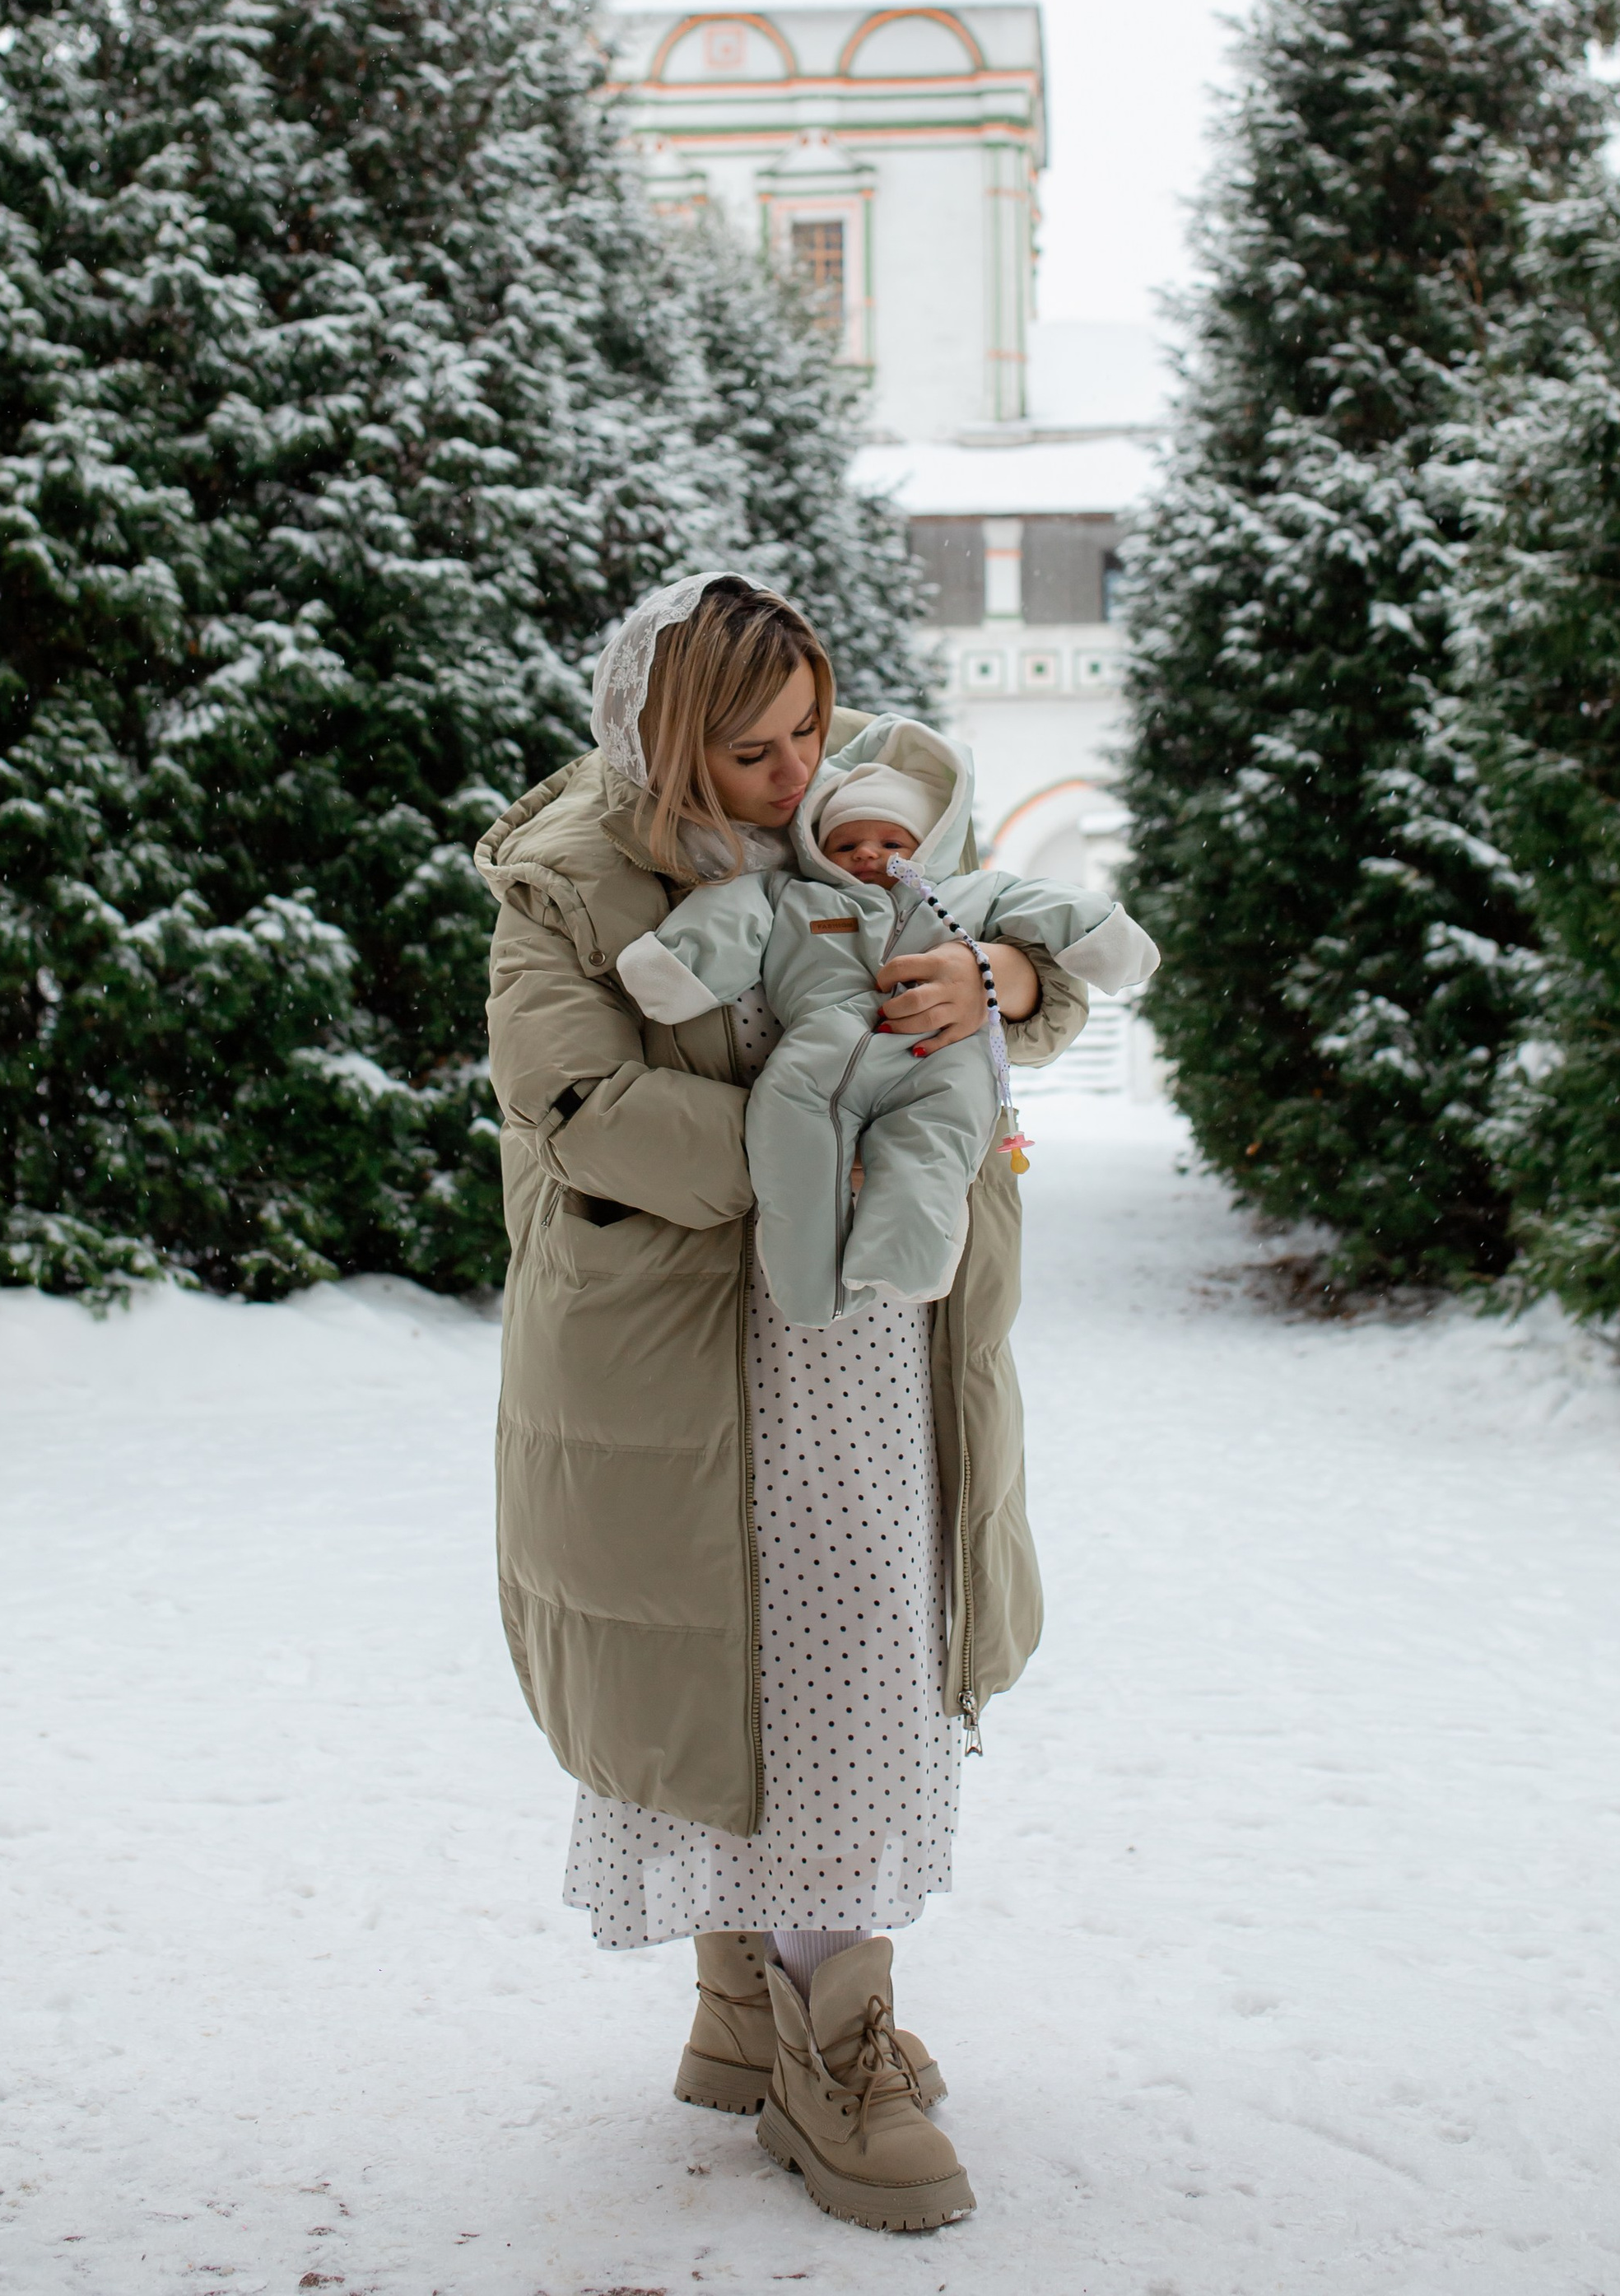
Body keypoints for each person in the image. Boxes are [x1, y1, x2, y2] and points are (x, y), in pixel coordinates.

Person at [474, 573, 1089, 2237]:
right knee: (770, 1668)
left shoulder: (843, 823)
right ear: (659, 740)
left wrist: (993, 993)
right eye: (746, 748)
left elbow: (1004, 934)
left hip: (866, 1348)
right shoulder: (568, 880)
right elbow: (577, 1101)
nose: (791, 770)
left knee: (854, 1652)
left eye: (808, 730)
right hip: (688, 1352)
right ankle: (828, 2039)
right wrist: (807, 1134)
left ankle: (757, 2005)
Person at [615, 712, 1158, 1328]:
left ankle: (902, 1258)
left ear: (926, 848)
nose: (867, 853)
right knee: (789, 1132)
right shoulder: (793, 895)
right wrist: (675, 968)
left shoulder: (971, 896)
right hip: (821, 1053)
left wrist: (1105, 939)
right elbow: (728, 920)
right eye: (846, 843)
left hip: (941, 1057)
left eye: (891, 843)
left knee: (935, 1140)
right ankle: (808, 1283)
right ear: (819, 848)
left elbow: (1046, 906)